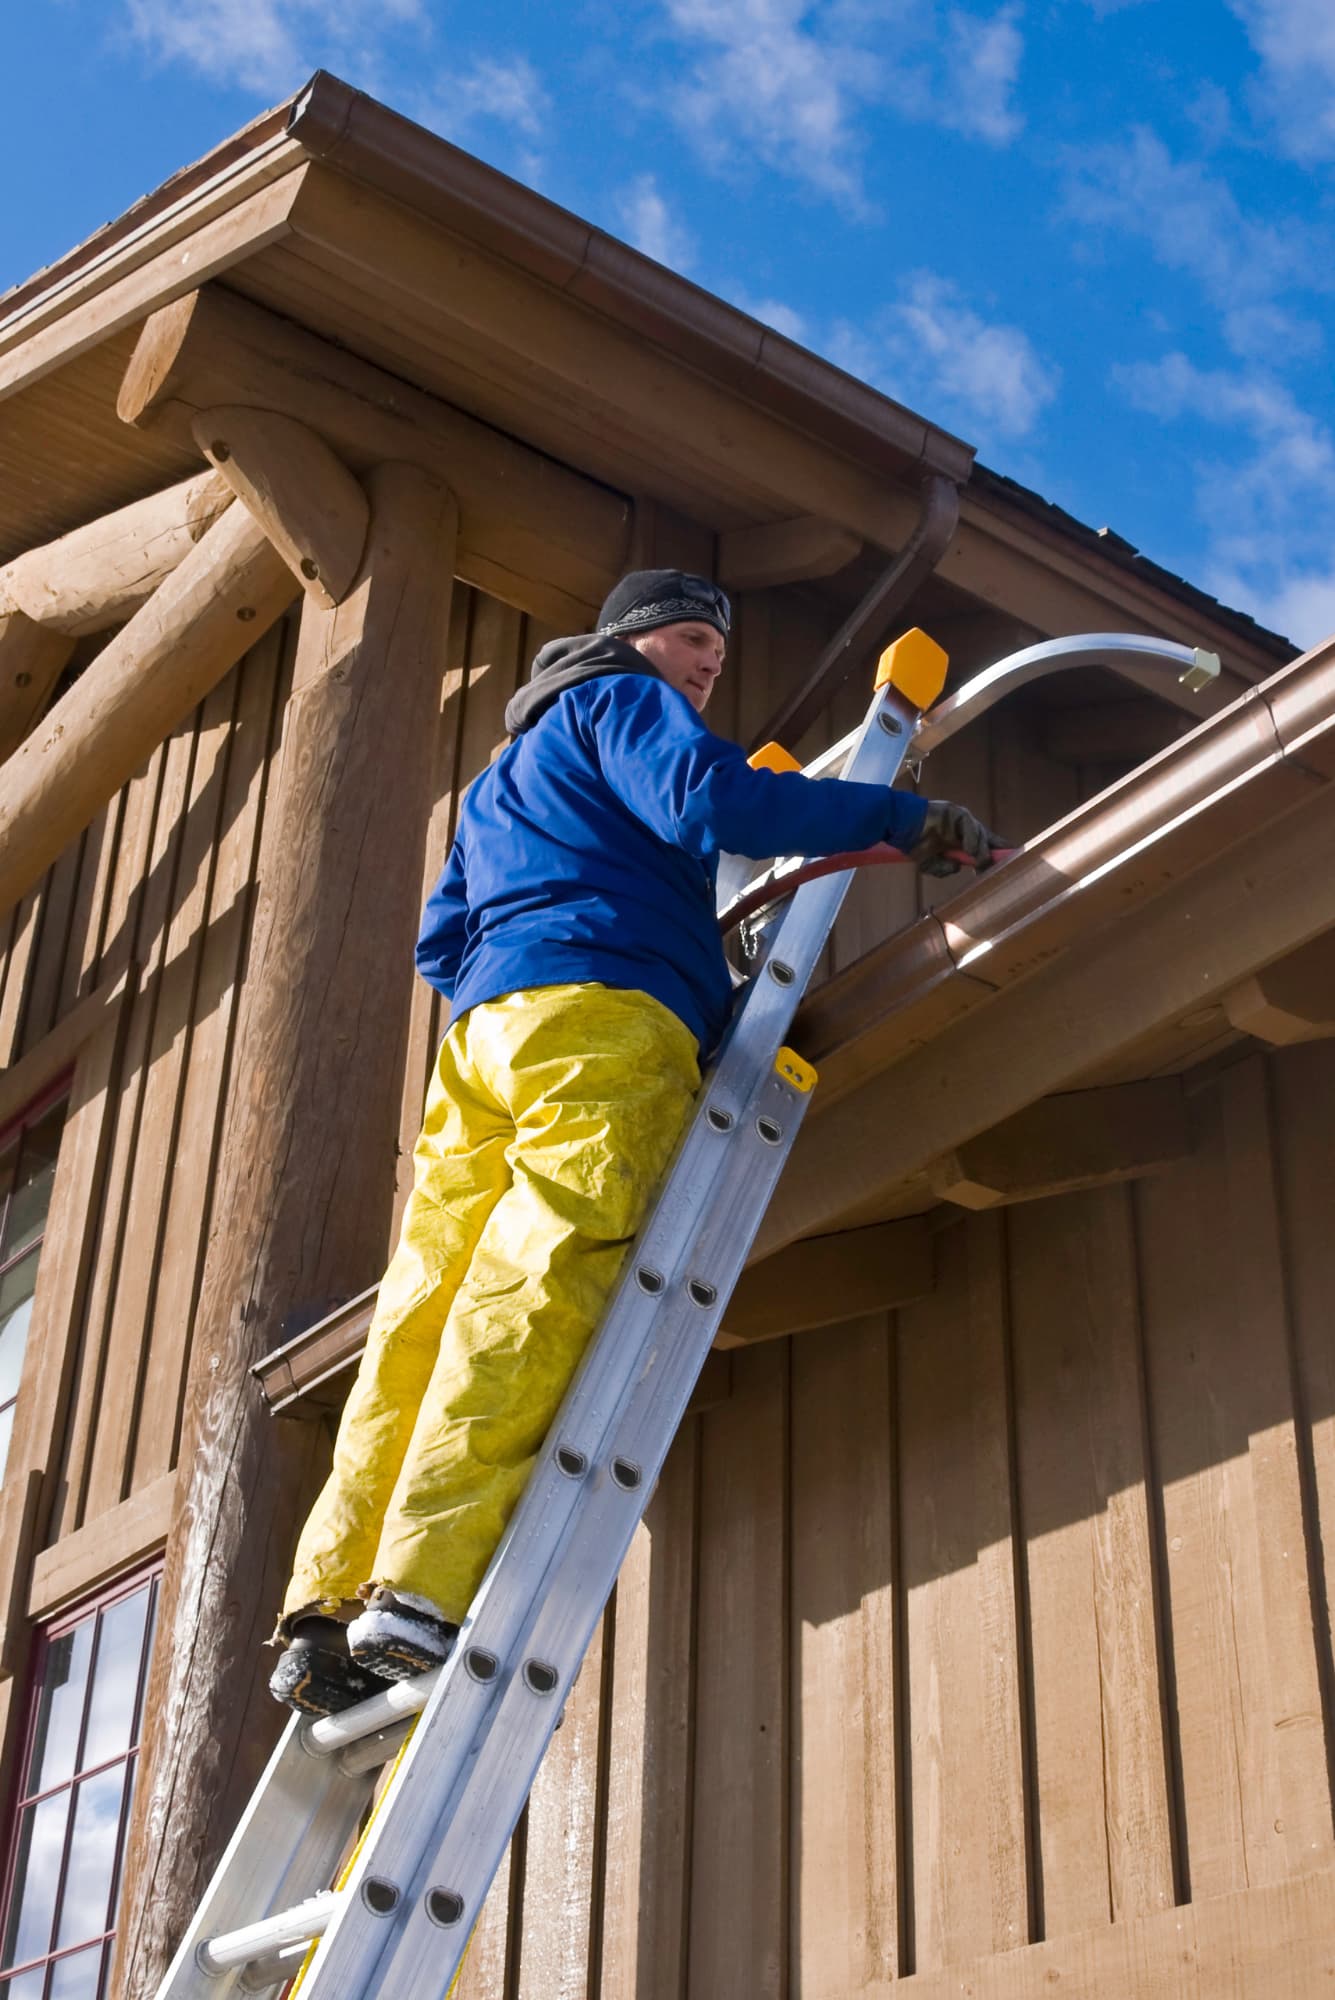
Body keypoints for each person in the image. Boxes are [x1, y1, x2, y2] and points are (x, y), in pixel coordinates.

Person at [268, 569, 999, 1714]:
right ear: (630, 637)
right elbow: (716, 806)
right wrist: (901, 818)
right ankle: (416, 1586)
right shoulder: (626, 699)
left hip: (482, 1043)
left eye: (718, 645)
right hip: (602, 1020)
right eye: (691, 635)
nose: (707, 661)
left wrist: (562, 942)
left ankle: (325, 1605)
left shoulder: (505, 771)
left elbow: (439, 939)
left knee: (429, 1301)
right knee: (537, 1280)